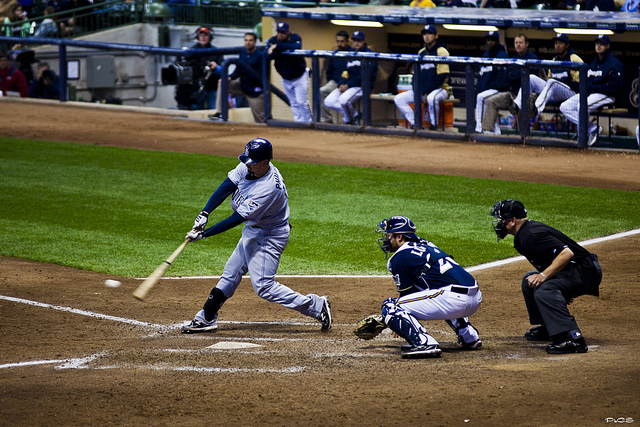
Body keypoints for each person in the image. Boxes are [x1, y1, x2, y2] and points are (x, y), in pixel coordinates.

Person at [180, 138, 332, 334]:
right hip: (254, 230)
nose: (247, 166)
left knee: (264, 287)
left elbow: (236, 219)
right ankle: (206, 318)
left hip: (270, 236)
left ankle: (316, 306)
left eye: (252, 163)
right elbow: (227, 186)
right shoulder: (250, 166)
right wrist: (205, 213)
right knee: (231, 273)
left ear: (265, 162)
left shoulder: (268, 189)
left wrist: (205, 234)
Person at [489, 200, 602, 354]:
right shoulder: (523, 235)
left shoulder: (532, 235)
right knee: (530, 280)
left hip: (584, 271)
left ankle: (572, 338)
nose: (499, 223)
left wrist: (544, 276)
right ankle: (549, 328)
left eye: (502, 219)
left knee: (545, 289)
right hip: (573, 270)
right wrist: (558, 285)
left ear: (513, 220)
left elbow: (567, 254)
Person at [373, 216, 482, 359]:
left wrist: (397, 322)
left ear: (399, 237)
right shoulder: (426, 244)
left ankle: (424, 343)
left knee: (391, 306)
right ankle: (469, 336)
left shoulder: (398, 258)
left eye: (388, 236)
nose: (386, 240)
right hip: (475, 297)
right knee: (435, 290)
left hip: (453, 301)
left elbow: (407, 295)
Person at [559, 34, 623, 146]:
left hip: (607, 96)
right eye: (597, 43)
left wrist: (594, 87)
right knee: (564, 106)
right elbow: (587, 82)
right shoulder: (594, 62)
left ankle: (582, 135)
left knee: (582, 106)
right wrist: (591, 88)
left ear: (608, 46)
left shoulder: (615, 63)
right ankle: (591, 128)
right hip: (591, 94)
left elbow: (614, 87)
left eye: (602, 44)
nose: (598, 46)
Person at [394, 25, 451, 130]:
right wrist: (418, 91)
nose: (426, 36)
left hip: (441, 89)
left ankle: (434, 125)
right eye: (424, 34)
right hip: (423, 90)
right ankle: (415, 123)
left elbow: (442, 76)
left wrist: (427, 92)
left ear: (436, 36)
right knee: (399, 99)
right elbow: (416, 75)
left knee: (431, 98)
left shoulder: (442, 51)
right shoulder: (421, 52)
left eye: (429, 33)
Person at [481, 33, 537, 134]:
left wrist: (515, 76)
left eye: (520, 42)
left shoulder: (533, 59)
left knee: (521, 107)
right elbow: (508, 77)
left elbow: (531, 80)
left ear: (526, 44)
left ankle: (524, 136)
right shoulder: (513, 59)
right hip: (512, 93)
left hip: (527, 95)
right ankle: (487, 132)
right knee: (491, 101)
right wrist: (516, 76)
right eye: (516, 43)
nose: (518, 45)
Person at [324, 30, 378, 126]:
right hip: (349, 85)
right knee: (328, 101)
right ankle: (355, 115)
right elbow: (345, 72)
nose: (356, 43)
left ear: (364, 41)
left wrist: (348, 85)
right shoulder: (352, 54)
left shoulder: (369, 54)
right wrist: (341, 83)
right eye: (355, 40)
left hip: (361, 86)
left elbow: (365, 76)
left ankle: (350, 121)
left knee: (343, 101)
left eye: (359, 40)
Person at [526, 34, 583, 122]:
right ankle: (520, 105)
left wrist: (561, 84)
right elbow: (549, 80)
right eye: (556, 43)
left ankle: (536, 109)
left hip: (571, 93)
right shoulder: (553, 60)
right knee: (531, 78)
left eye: (560, 43)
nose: (558, 45)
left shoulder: (574, 58)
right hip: (555, 92)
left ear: (567, 45)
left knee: (552, 82)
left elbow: (579, 84)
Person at [266, 22, 312, 123]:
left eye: (283, 32)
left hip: (300, 76)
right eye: (279, 32)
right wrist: (279, 47)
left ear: (288, 32)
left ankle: (309, 123)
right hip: (286, 78)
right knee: (293, 103)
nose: (280, 34)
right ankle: (298, 122)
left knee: (301, 102)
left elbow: (297, 46)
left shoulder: (295, 37)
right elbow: (267, 55)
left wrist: (277, 47)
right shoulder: (273, 40)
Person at [176, 26, 222, 110]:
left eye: (206, 35)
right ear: (198, 37)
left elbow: (222, 69)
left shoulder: (216, 51)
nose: (203, 37)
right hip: (195, 88)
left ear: (210, 37)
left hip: (212, 87)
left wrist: (215, 67)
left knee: (213, 110)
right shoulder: (191, 51)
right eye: (201, 35)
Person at [225, 32, 265, 123]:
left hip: (255, 91)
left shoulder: (260, 55)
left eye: (250, 40)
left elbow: (262, 75)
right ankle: (220, 112)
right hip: (243, 86)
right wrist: (230, 77)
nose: (248, 42)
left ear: (255, 42)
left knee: (261, 119)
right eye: (246, 40)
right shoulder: (243, 52)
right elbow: (238, 69)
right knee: (223, 83)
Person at [474, 31, 510, 134]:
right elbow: (481, 77)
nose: (490, 42)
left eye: (492, 40)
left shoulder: (502, 56)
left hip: (499, 90)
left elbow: (503, 79)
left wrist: (490, 86)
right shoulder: (485, 55)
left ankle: (480, 129)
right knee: (484, 99)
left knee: (481, 97)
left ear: (497, 41)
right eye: (488, 40)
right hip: (488, 90)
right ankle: (496, 132)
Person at [320, 30, 352, 124]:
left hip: (349, 84)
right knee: (321, 91)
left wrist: (347, 84)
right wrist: (331, 81)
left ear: (347, 41)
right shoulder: (335, 54)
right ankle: (327, 119)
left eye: (342, 41)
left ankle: (350, 118)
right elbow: (329, 71)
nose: (339, 44)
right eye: (338, 41)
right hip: (335, 82)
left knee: (345, 100)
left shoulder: (353, 53)